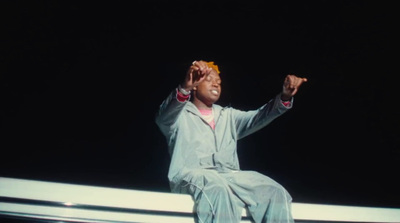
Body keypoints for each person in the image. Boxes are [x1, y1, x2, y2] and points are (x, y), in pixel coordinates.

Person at [155, 60, 307, 223]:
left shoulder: (228, 116)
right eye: (209, 79)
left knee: (274, 192)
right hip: (191, 176)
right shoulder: (178, 116)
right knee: (217, 189)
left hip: (229, 176)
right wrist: (184, 88)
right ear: (195, 85)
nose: (216, 84)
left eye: (219, 82)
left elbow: (259, 117)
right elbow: (163, 116)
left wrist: (284, 97)